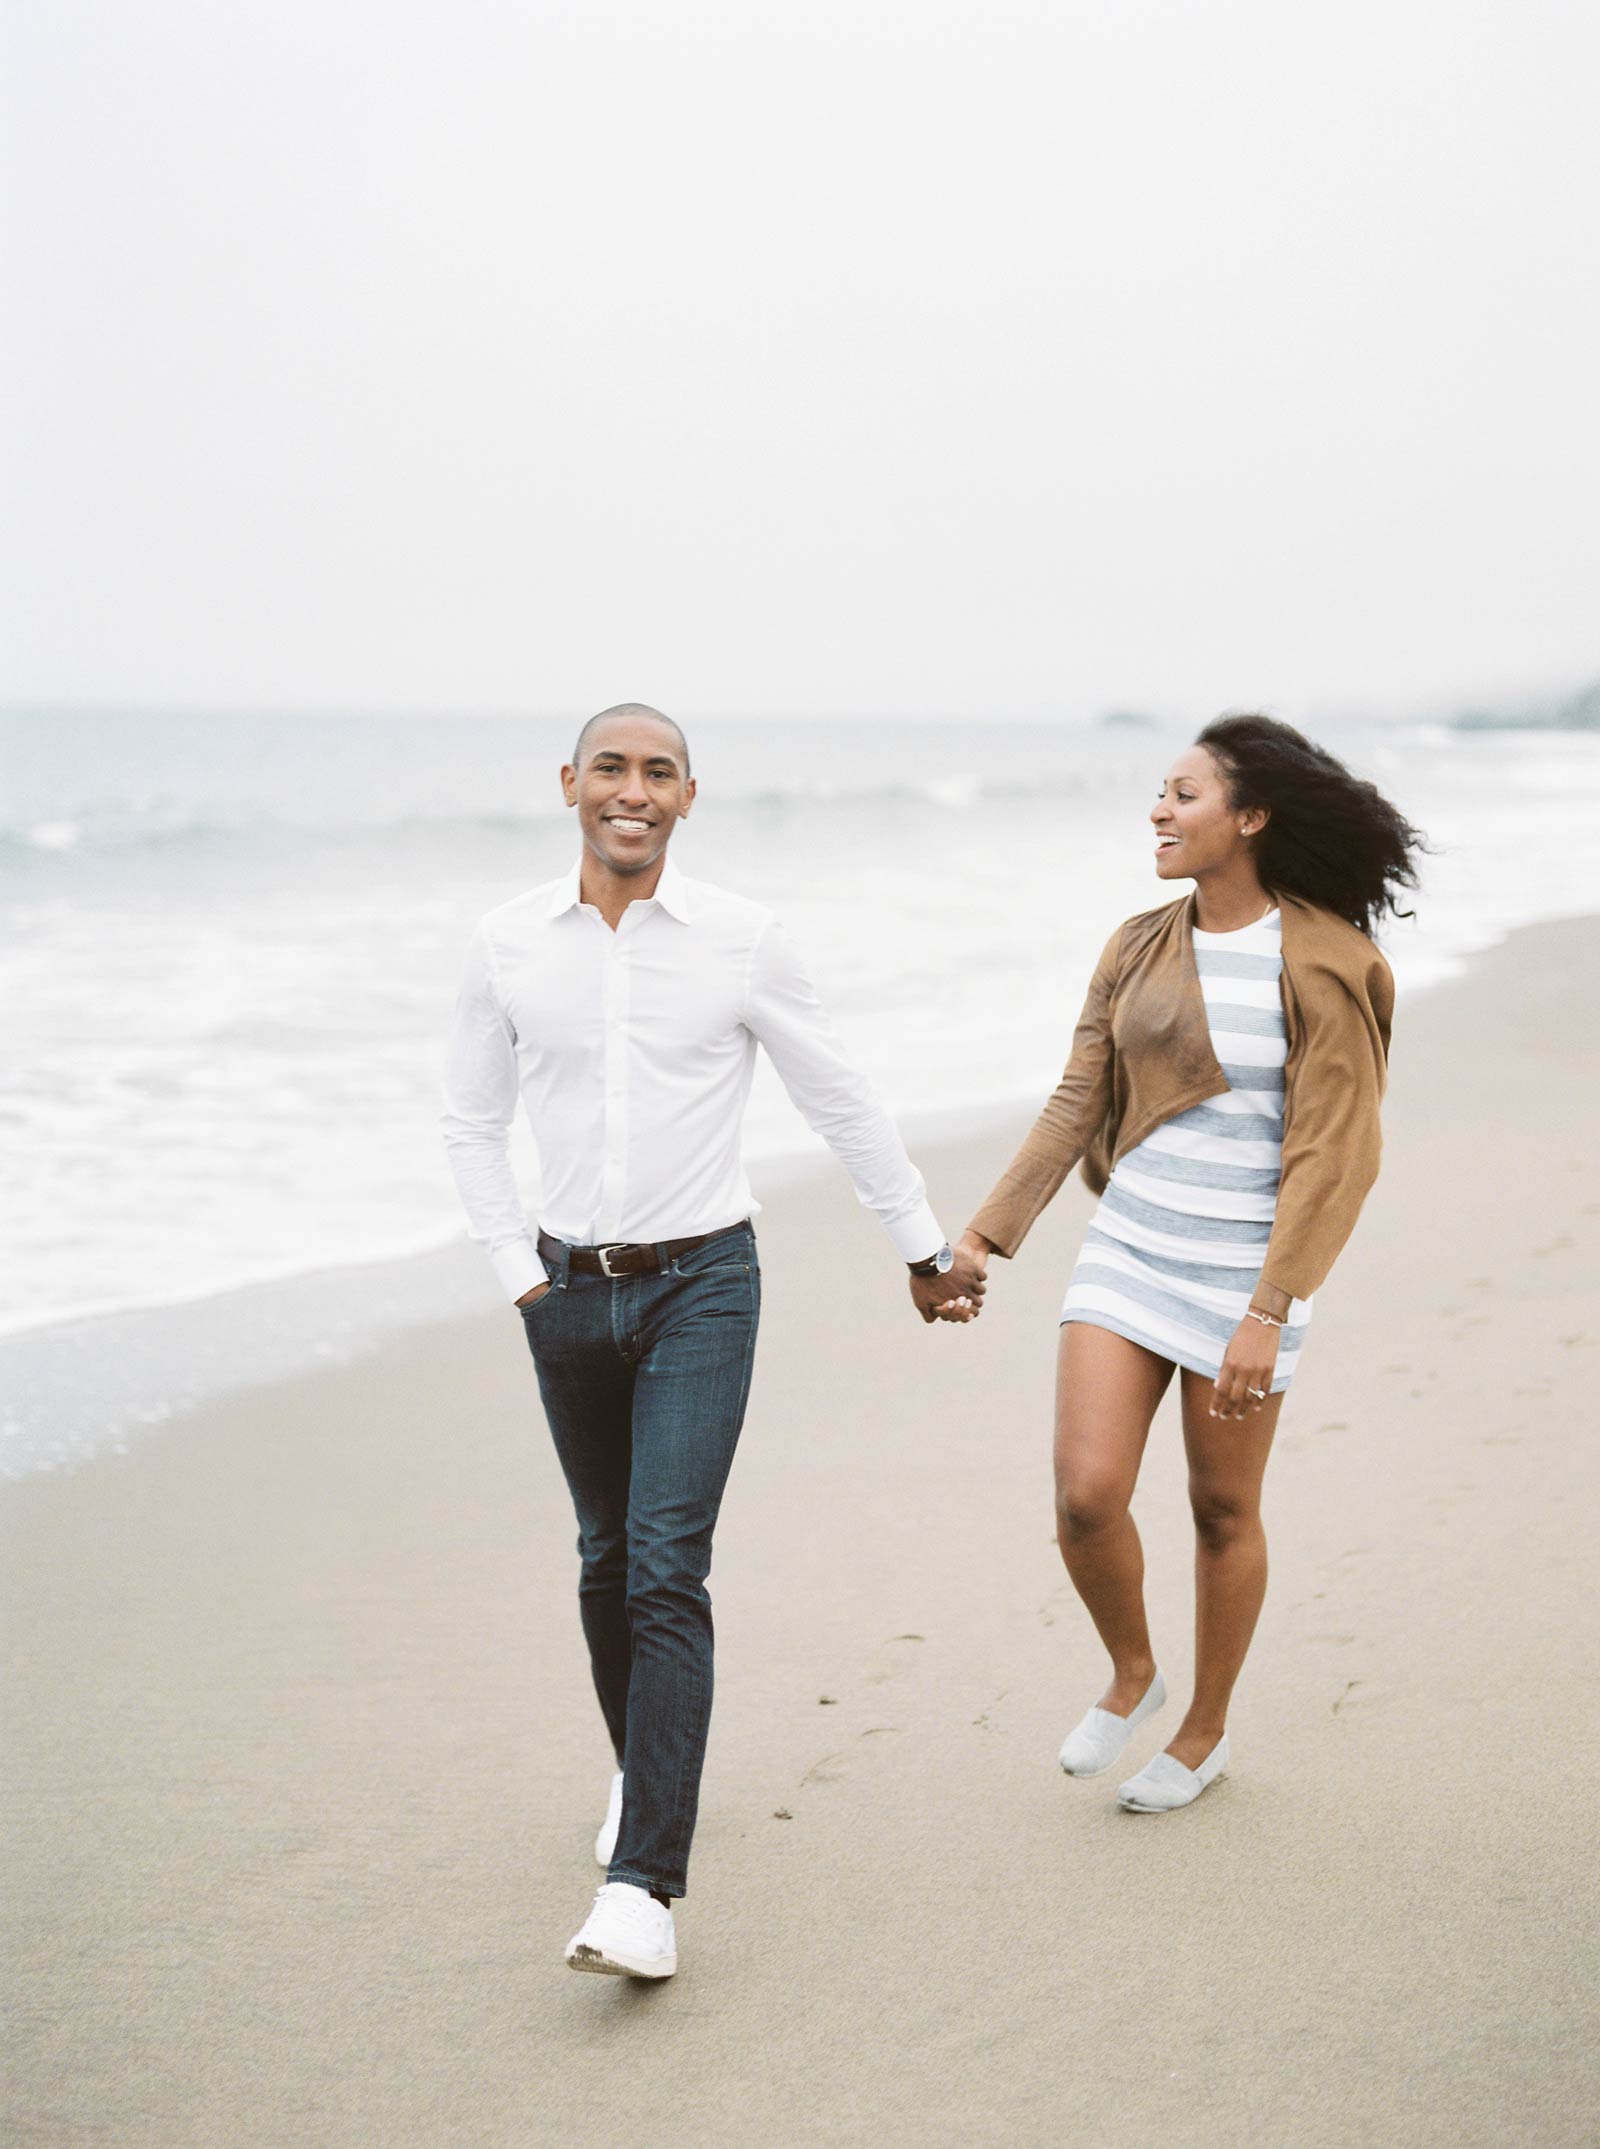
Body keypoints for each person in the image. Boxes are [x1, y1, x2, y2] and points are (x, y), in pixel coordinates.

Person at [441, 703, 983, 1979]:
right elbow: (468, 1119)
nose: (634, 791)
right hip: (564, 1292)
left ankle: (643, 1888)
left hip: (704, 1286)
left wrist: (920, 1245)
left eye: (660, 773)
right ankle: (644, 1773)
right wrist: (517, 1275)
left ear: (690, 797)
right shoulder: (507, 941)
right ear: (570, 782)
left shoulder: (742, 941)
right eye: (612, 769)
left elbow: (835, 1090)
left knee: (663, 1563)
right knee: (602, 1557)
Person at [953, 715, 1422, 1813]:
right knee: (1086, 1495)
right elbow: (1080, 1098)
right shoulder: (1136, 942)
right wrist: (983, 1233)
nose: (1158, 812)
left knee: (1220, 1508)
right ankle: (1133, 1671)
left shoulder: (1330, 960)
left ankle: (1203, 1727)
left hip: (1246, 1273)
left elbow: (1334, 1154)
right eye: (1158, 794)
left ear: (1248, 816)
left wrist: (1271, 1305)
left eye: (1183, 794)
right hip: (1131, 1247)